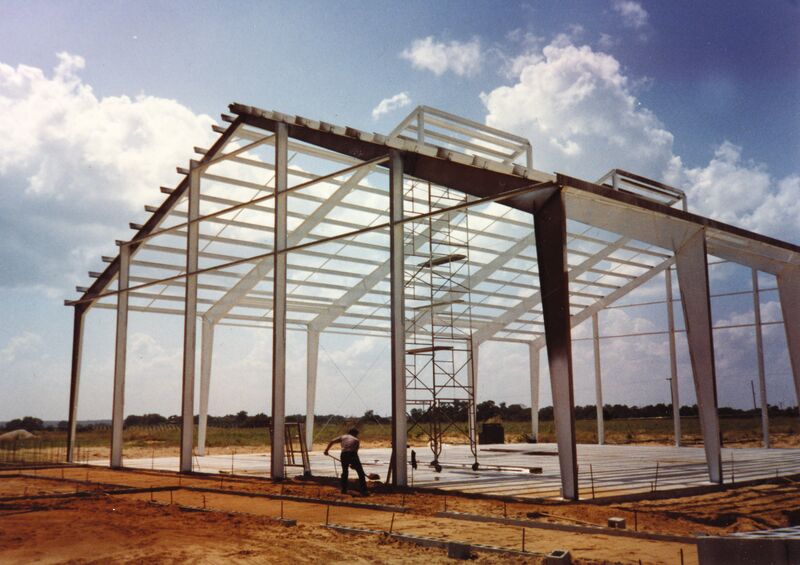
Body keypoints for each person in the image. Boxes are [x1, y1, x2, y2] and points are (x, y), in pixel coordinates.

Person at [324, 428, 368, 495]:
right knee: (360, 472)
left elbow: (332, 441)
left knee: (345, 472)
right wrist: (353, 464)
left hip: (344, 454)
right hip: (353, 454)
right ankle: (364, 490)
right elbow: (355, 451)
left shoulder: (343, 437)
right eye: (356, 434)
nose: (356, 436)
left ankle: (344, 490)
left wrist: (326, 450)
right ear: (354, 434)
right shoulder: (356, 440)